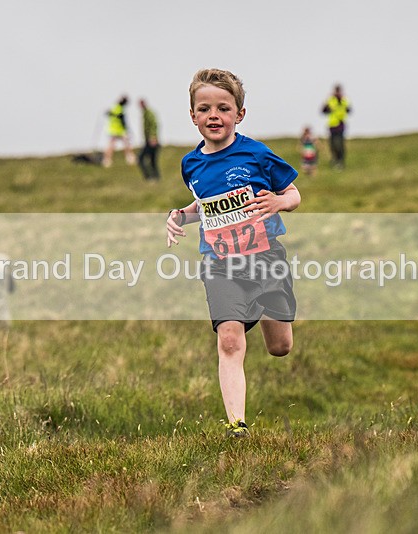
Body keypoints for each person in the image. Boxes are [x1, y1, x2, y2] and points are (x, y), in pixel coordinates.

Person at [166, 68, 301, 438]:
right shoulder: (190, 164)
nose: (214, 115)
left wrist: (279, 202)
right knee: (228, 338)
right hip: (219, 263)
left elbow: (294, 194)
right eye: (204, 108)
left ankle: (258, 307)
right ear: (192, 115)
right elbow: (204, 207)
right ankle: (237, 426)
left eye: (224, 108)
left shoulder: (257, 154)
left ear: (239, 114)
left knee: (280, 347)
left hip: (264, 258)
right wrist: (179, 216)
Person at [321, 84, 352, 168]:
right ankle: (335, 160)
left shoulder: (344, 100)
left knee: (340, 145)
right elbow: (323, 110)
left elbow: (349, 110)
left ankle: (340, 161)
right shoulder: (330, 100)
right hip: (332, 126)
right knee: (333, 145)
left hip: (341, 125)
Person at [102, 95, 136, 168]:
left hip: (113, 129)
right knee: (126, 144)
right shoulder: (120, 109)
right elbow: (123, 121)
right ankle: (130, 158)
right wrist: (127, 129)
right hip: (119, 129)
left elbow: (109, 114)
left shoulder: (114, 107)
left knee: (111, 145)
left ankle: (107, 160)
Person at [138, 98, 161, 180]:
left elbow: (154, 124)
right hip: (148, 140)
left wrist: (153, 137)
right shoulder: (145, 113)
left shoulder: (149, 113)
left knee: (145, 159)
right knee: (151, 160)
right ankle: (153, 177)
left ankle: (152, 177)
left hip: (151, 140)